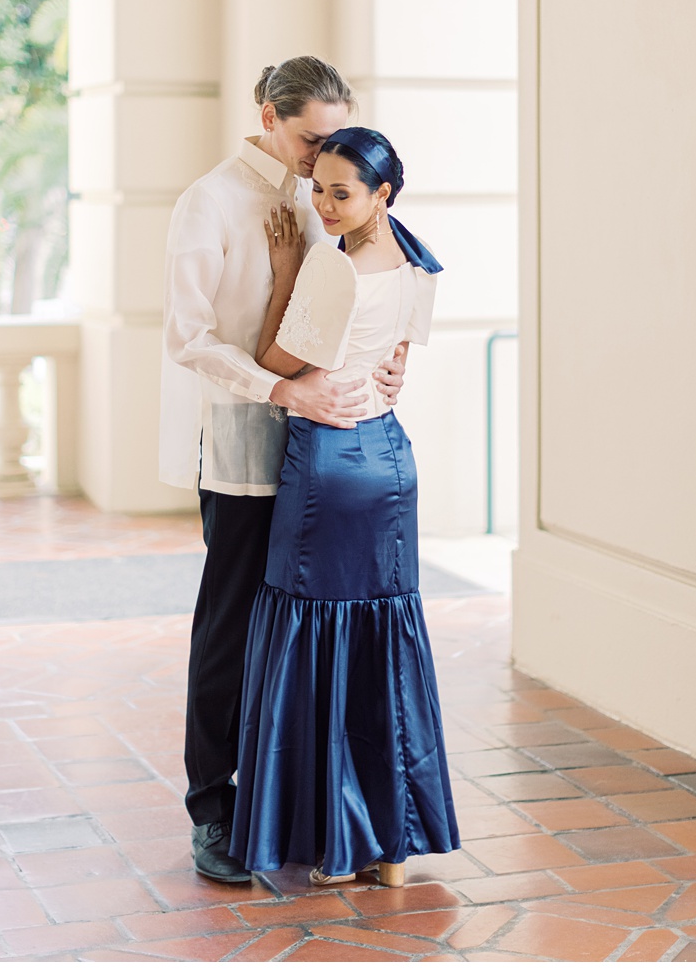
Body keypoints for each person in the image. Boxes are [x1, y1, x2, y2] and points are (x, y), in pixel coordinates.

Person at [158, 56, 406, 883]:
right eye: (310, 137)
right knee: (229, 627)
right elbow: (188, 338)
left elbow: (362, 307)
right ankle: (212, 808)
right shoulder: (211, 201)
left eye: (335, 141)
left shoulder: (329, 197)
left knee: (303, 636)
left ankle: (294, 800)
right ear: (265, 113)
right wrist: (284, 391)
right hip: (244, 452)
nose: (321, 156)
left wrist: (387, 368)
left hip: (328, 460)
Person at [229, 126, 459, 884]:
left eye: (341, 192)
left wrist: (291, 268)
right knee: (384, 644)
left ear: (380, 193)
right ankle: (391, 850)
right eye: (319, 188)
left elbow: (275, 364)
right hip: (390, 459)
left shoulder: (332, 270)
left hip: (328, 464)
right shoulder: (418, 261)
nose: (324, 205)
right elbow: (395, 367)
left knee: (318, 640)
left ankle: (334, 843)